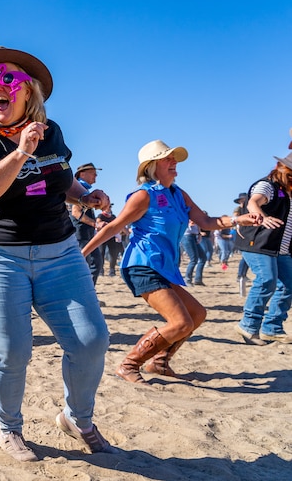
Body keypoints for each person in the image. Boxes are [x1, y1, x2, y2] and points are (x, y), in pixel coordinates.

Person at [0, 47, 116, 460]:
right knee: (13, 350)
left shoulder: (52, 130)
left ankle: (77, 418)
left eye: (9, 80)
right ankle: (8, 429)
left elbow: (59, 177)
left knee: (91, 340)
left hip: (59, 250)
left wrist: (87, 196)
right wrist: (20, 152)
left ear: (29, 93)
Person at [82, 140, 260, 383]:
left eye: (173, 158)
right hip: (142, 264)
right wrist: (82, 254)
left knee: (197, 313)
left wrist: (239, 220)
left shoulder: (178, 194)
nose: (174, 162)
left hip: (164, 267)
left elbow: (206, 222)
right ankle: (129, 364)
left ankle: (159, 362)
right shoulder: (144, 195)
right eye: (168, 158)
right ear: (152, 165)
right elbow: (114, 226)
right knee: (180, 321)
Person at [233, 152, 292, 345]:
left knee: (288, 285)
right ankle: (248, 326)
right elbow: (253, 202)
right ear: (281, 169)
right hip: (258, 244)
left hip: (280, 248)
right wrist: (263, 217)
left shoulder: (288, 191)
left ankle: (272, 328)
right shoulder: (268, 186)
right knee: (266, 279)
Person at [71, 163, 104, 284]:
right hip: (80, 234)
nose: (95, 176)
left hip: (86, 234)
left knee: (95, 263)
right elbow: (76, 212)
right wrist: (96, 224)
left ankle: (89, 293)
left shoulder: (84, 190)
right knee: (88, 264)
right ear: (82, 174)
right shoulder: (78, 190)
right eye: (93, 173)